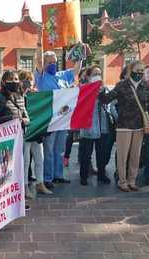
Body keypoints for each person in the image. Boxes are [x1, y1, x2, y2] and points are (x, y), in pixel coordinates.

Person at [35, 36, 88, 189]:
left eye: (54, 62)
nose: (53, 64)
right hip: (50, 119)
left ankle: (58, 175)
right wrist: (40, 42)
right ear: (44, 64)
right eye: (49, 62)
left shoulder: (62, 75)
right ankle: (47, 177)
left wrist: (79, 53)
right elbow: (38, 60)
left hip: (63, 118)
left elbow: (77, 69)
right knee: (49, 150)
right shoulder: (41, 77)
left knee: (60, 149)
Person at [101, 60, 149, 192]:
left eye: (142, 71)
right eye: (137, 70)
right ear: (130, 71)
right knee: (122, 155)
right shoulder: (122, 85)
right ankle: (122, 181)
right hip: (124, 125)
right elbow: (106, 100)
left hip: (139, 125)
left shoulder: (147, 86)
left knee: (135, 155)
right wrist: (100, 91)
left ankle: (132, 180)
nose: (140, 73)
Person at [18, 70, 52, 197]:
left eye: (30, 79)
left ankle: (40, 184)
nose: (29, 82)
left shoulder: (35, 95)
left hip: (36, 132)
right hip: (26, 133)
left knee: (40, 159)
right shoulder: (18, 96)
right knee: (26, 161)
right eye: (26, 80)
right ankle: (25, 186)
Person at [78, 65, 112, 186]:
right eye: (94, 74)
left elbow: (108, 101)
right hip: (88, 124)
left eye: (99, 74)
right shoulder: (83, 88)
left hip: (102, 124)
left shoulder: (103, 88)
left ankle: (101, 174)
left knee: (101, 152)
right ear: (88, 76)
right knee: (86, 153)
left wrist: (101, 91)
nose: (97, 76)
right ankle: (83, 176)